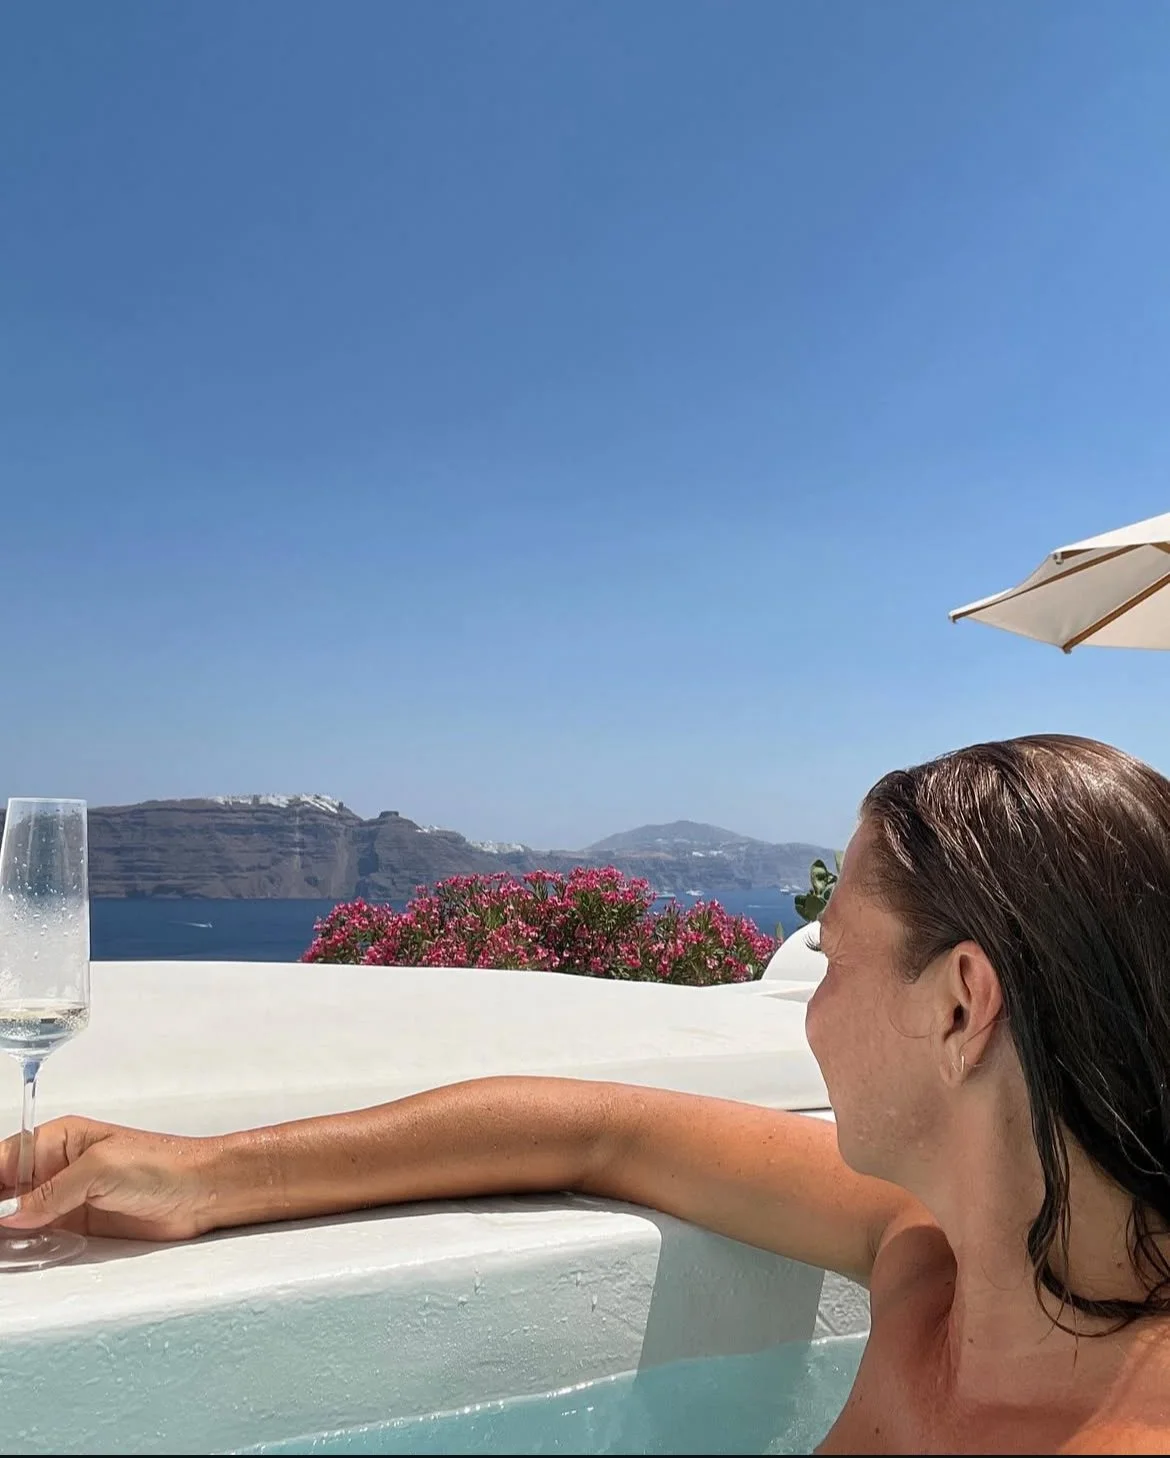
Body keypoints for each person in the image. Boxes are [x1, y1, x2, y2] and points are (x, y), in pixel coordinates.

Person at [3, 734, 1169, 1454]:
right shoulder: (941, 1263)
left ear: (960, 1007)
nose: (810, 1009)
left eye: (834, 961)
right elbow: (601, 1132)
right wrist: (208, 1174)